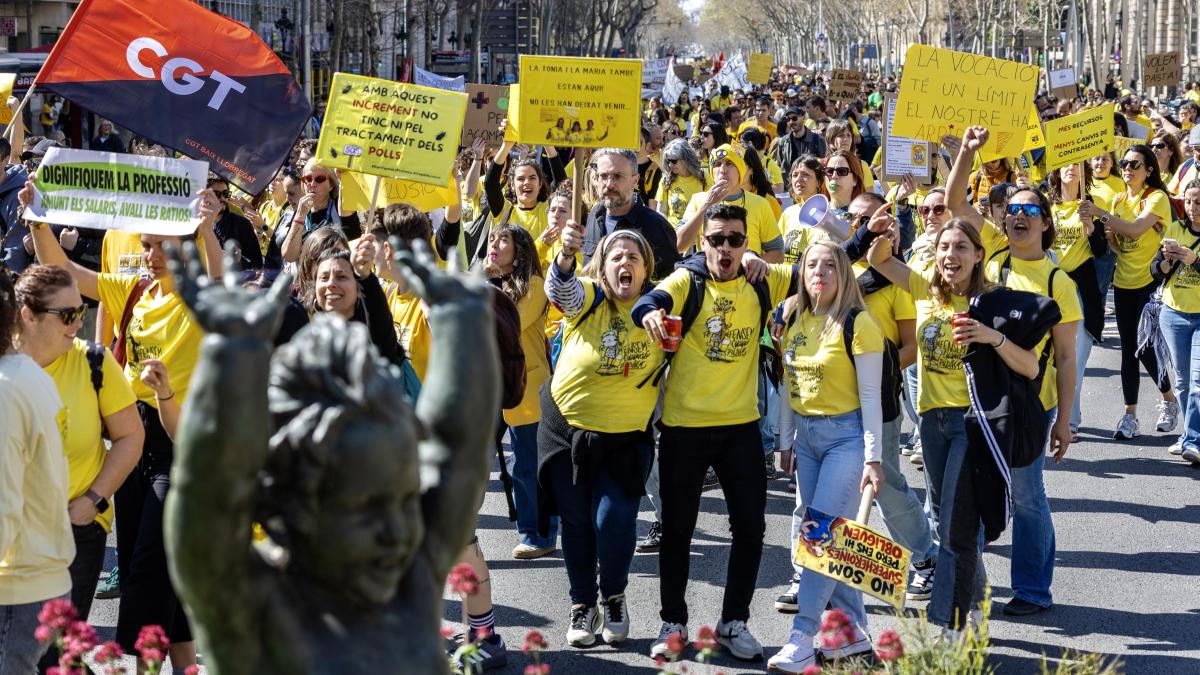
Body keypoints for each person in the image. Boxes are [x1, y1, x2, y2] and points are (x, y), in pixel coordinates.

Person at [23, 184, 226, 670]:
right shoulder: (135, 288)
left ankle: (138, 664)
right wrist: (37, 222)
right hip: (134, 439)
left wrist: (208, 231)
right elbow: (67, 274)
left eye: (161, 246)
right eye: (146, 246)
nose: (150, 254)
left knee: (146, 569)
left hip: (184, 439)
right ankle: (185, 664)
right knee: (148, 556)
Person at [633, 203, 798, 662]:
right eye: (717, 239)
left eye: (735, 239)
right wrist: (647, 313)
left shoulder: (762, 279)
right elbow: (652, 301)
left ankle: (733, 621)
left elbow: (823, 269)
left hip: (741, 427)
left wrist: (863, 239)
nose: (726, 248)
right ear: (702, 243)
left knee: (751, 527)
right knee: (678, 531)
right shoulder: (688, 282)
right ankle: (673, 622)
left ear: (747, 243)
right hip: (685, 429)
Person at [867, 219, 1041, 632]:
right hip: (931, 421)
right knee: (952, 523)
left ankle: (950, 620)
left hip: (973, 422)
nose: (951, 255)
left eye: (962, 247)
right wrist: (882, 232)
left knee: (952, 527)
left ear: (979, 255)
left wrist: (990, 337)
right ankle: (976, 606)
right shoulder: (924, 290)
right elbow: (878, 260)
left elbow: (1031, 367)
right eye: (945, 246)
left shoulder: (993, 302)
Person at [946, 127, 1082, 616]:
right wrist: (967, 151)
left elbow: (1066, 358)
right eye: (1012, 211)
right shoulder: (990, 257)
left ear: (1046, 224)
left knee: (1026, 496)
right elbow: (955, 198)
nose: (1019, 217)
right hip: (979, 401)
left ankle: (1031, 590)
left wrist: (1064, 419)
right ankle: (969, 588)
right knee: (976, 491)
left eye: (1030, 212)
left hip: (1029, 405)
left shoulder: (1059, 283)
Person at [539, 227, 663, 647]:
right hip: (567, 432)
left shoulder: (661, 306)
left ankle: (612, 595)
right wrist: (565, 258)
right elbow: (562, 291)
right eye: (616, 256)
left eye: (633, 257)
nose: (624, 263)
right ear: (603, 267)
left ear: (646, 270)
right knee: (575, 524)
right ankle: (582, 605)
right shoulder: (590, 297)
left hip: (626, 439)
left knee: (614, 520)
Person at [767, 242, 885, 672]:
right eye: (811, 264)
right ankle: (851, 633)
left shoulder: (859, 323)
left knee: (818, 540)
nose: (820, 272)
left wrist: (874, 458)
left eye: (830, 265)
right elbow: (788, 384)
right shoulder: (795, 319)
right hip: (809, 440)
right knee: (828, 540)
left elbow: (871, 397)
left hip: (847, 439)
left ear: (844, 273)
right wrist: (785, 440)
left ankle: (801, 637)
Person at [14, 266, 144, 643]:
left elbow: (130, 438)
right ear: (28, 315)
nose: (78, 323)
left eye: (82, 312)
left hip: (76, 529)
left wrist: (93, 499)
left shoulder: (95, 363)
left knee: (53, 648)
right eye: (67, 315)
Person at [1078, 144, 1179, 439]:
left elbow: (1135, 230)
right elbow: (1116, 244)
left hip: (1151, 282)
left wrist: (1101, 213)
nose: (1128, 169)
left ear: (1149, 170)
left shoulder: (1156, 198)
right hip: (1123, 282)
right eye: (1125, 164)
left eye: (1135, 164)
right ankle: (1129, 416)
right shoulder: (1120, 199)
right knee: (1128, 351)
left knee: (1145, 346)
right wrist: (1093, 226)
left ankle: (1168, 399)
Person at [0, 267, 71, 674]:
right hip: (31, 582)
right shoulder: (27, 374)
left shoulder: (8, 388)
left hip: (14, 590)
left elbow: (3, 506)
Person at [484, 224, 557, 558]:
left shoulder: (536, 286)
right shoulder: (487, 280)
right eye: (492, 239)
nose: (495, 244)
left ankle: (539, 534)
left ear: (521, 249)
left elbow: (507, 322)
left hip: (527, 386)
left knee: (528, 464)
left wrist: (490, 282)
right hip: (491, 386)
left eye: (504, 240)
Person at [1047, 163, 1107, 440]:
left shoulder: (1089, 205)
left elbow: (1102, 251)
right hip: (1049, 290)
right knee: (1050, 358)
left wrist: (1091, 228)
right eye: (1065, 165)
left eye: (1076, 166)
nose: (1071, 169)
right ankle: (1053, 413)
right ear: (1056, 173)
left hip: (1080, 292)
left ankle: (1070, 419)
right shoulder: (1045, 206)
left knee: (1075, 356)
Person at [580, 148, 681, 281]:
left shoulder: (656, 227)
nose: (609, 184)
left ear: (635, 180)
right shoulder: (594, 215)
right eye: (604, 176)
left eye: (618, 176)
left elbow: (669, 285)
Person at [1154, 178, 1200, 464]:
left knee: (1198, 380)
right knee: (1182, 382)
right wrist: (1166, 262)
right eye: (1190, 201)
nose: (1194, 207)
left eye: (1199, 202)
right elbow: (1154, 270)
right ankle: (1188, 434)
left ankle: (1193, 440)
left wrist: (1193, 260)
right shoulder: (1174, 229)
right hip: (1173, 314)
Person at [676, 144, 784, 262]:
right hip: (709, 278)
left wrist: (749, 269)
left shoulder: (760, 203)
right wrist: (707, 205)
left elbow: (777, 252)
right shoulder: (698, 200)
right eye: (717, 164)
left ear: (740, 171)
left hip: (746, 279)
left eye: (729, 163)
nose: (723, 169)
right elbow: (679, 245)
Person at [484, 123, 564, 242]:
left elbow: (561, 182)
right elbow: (490, 183)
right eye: (521, 179)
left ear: (540, 184)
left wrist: (547, 142)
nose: (526, 183)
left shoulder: (548, 210)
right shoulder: (505, 211)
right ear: (512, 185)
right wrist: (507, 144)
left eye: (532, 178)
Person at [292, 158, 361, 240]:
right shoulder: (299, 213)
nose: (313, 184)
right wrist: (299, 217)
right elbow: (287, 252)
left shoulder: (338, 207)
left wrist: (343, 180)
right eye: (308, 179)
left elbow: (352, 235)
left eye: (319, 179)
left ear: (331, 185)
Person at [207, 177, 264, 270]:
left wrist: (238, 260)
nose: (222, 198)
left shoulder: (241, 224)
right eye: (216, 194)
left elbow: (257, 264)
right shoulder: (195, 224)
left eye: (225, 194)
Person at [655, 139, 707, 227]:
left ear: (686, 159)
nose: (670, 165)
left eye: (674, 161)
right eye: (668, 161)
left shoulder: (704, 177)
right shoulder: (666, 180)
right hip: (674, 234)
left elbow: (710, 209)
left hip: (697, 233)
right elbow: (661, 211)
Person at [773, 107, 828, 178]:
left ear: (803, 117)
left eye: (794, 118)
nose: (791, 122)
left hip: (810, 184)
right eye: (788, 119)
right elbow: (779, 166)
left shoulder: (817, 139)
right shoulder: (783, 141)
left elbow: (823, 165)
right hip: (788, 185)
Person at [823, 150, 866, 215]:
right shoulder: (816, 211)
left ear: (855, 180)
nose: (834, 176)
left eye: (842, 171)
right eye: (829, 171)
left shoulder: (864, 215)